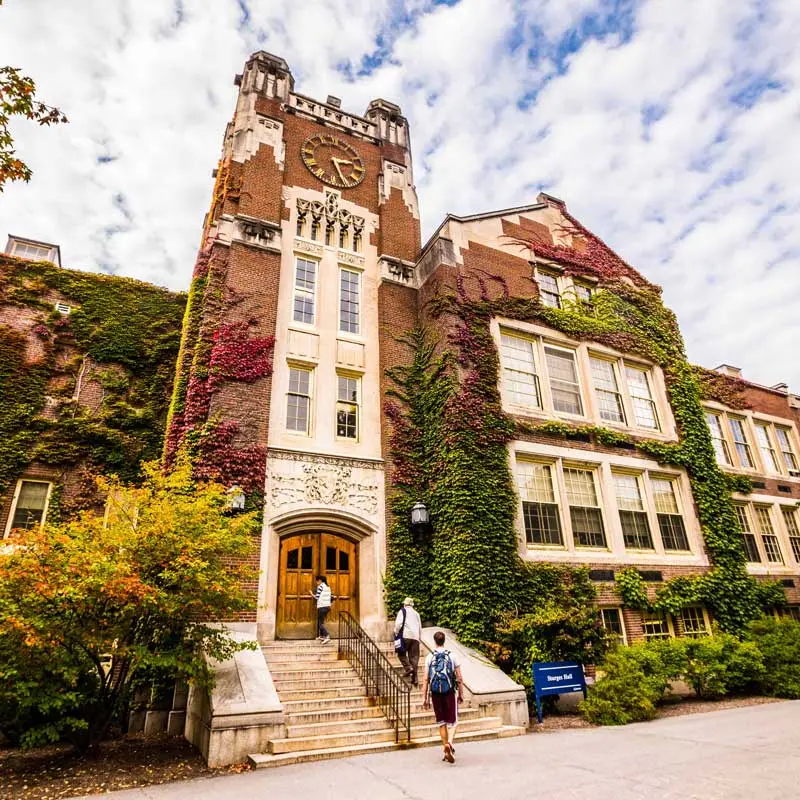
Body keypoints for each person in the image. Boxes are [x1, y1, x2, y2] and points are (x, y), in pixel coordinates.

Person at [422, 630, 463, 764]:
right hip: (449, 692)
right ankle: (450, 744)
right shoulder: (452, 656)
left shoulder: (429, 657)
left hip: (435, 693)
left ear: (435, 641)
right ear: (444, 640)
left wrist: (425, 698)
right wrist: (461, 694)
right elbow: (459, 678)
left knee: (441, 722)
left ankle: (446, 749)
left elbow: (425, 679)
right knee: (453, 721)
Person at [393, 597, 422, 686]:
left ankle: (408, 668)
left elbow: (398, 624)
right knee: (414, 658)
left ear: (405, 604)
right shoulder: (416, 613)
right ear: (412, 605)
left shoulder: (402, 611)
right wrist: (419, 638)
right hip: (415, 638)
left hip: (405, 636)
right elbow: (420, 627)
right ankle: (415, 679)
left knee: (401, 654)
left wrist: (396, 633)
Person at [310, 575, 332, 644]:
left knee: (320, 623)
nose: (316, 583)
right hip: (327, 606)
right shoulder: (328, 587)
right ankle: (322, 636)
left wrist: (311, 593)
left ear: (320, 580)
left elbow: (317, 597)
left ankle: (327, 636)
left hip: (322, 606)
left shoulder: (320, 587)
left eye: (317, 581)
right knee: (321, 621)